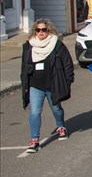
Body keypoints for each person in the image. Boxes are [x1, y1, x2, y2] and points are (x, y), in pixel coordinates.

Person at [21, 19, 74, 153]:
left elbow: (67, 63)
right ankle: (34, 140)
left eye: (43, 30)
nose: (40, 32)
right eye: (38, 30)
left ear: (49, 30)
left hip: (53, 83)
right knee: (35, 112)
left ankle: (61, 126)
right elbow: (23, 67)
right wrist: (24, 82)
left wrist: (68, 81)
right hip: (35, 85)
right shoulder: (29, 46)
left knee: (56, 109)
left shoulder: (57, 45)